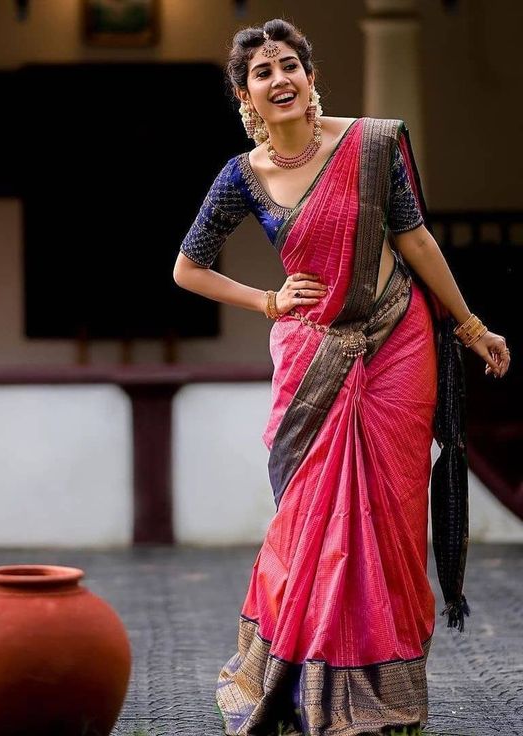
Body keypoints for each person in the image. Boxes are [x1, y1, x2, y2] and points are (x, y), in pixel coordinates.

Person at [172, 18, 511, 736]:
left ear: (312, 77)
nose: (280, 79)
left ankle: (388, 697)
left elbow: (414, 239)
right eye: (263, 73)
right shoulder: (240, 176)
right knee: (312, 522)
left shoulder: (371, 146)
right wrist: (265, 300)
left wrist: (472, 325)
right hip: (315, 357)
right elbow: (187, 268)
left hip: (398, 341)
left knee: (387, 515)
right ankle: (302, 685)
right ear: (246, 97)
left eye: (290, 64)